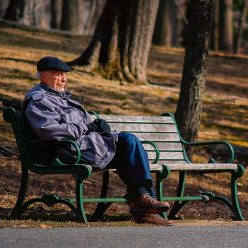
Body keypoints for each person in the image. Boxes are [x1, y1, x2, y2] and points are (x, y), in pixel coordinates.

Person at [23, 56, 173, 226]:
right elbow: (49, 130)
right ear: (43, 76)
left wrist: (96, 124)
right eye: (59, 74)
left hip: (86, 146)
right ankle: (143, 203)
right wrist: (85, 127)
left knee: (130, 143)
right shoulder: (39, 100)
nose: (64, 79)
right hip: (69, 150)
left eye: (65, 75)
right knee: (128, 144)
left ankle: (143, 202)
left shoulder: (61, 97)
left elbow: (82, 122)